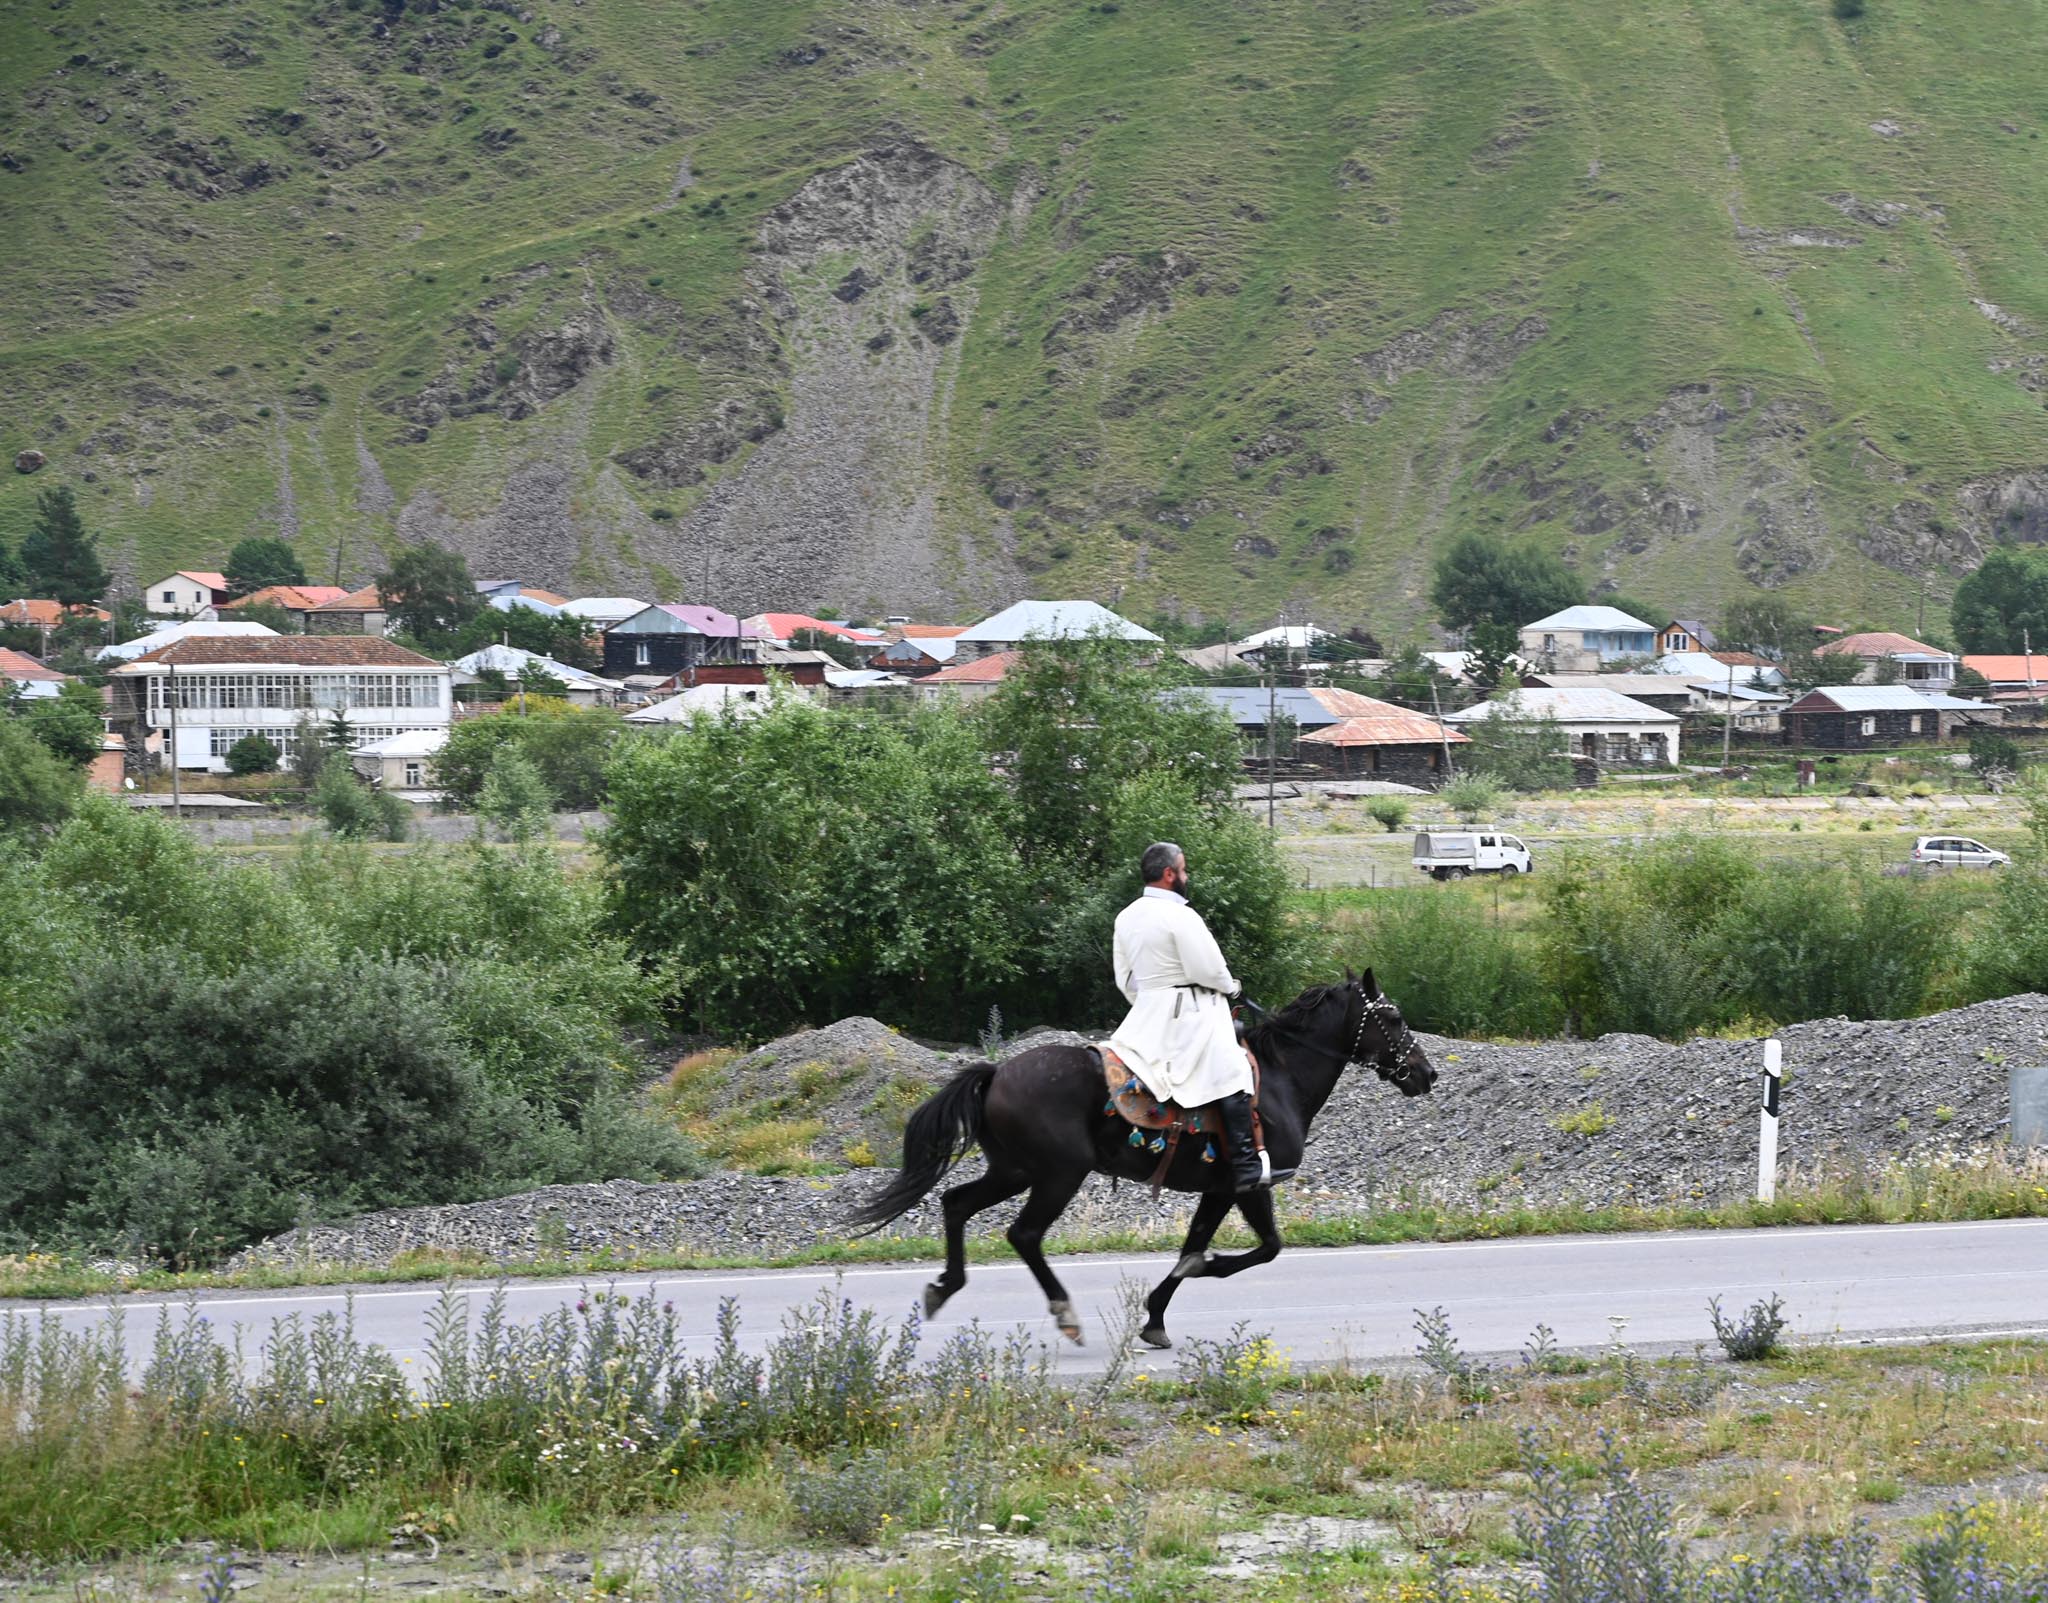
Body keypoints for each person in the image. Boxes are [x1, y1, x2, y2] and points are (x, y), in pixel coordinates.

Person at [1108, 841, 1285, 1193]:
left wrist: (1149, 1004)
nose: (1187, 876)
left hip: (1145, 1016)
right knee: (1233, 1073)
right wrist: (1232, 987)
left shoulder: (1125, 917)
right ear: (1169, 874)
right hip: (1192, 1013)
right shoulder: (1181, 916)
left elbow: (1125, 979)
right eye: (1184, 870)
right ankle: (1248, 1166)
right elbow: (1209, 970)